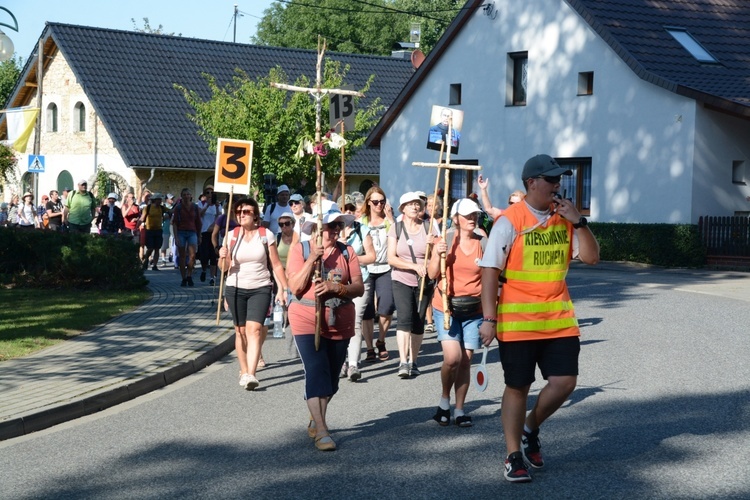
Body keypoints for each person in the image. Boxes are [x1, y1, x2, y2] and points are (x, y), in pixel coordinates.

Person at [479, 154, 600, 483]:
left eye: (559, 179)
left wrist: (579, 221)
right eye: (551, 179)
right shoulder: (510, 220)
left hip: (558, 318)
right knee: (518, 386)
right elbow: (490, 271)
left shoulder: (564, 218)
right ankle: (513, 453)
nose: (557, 185)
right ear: (531, 183)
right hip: (518, 323)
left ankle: (530, 428)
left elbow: (591, 257)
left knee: (565, 383)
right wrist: (488, 318)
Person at [286, 208, 364, 451]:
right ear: (316, 228)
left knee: (331, 382)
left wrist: (335, 287)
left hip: (340, 319)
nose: (334, 231)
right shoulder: (301, 249)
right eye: (329, 226)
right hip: (305, 318)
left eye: (337, 226)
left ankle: (315, 413)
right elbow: (296, 287)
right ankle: (321, 430)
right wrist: (311, 261)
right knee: (316, 370)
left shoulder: (346, 251)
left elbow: (359, 288)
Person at [218, 197, 288, 392]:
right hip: (235, 287)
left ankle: (251, 374)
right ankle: (243, 369)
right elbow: (224, 268)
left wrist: (284, 287)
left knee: (254, 330)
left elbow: (275, 264)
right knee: (240, 332)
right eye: (239, 212)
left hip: (261, 287)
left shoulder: (266, 235)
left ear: (255, 214)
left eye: (246, 211)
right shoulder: (231, 236)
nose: (242, 215)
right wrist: (223, 256)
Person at [428, 198, 486, 428]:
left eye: (475, 214)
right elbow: (432, 274)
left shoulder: (484, 240)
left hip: (474, 308)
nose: (472, 218)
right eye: (467, 215)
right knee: (452, 358)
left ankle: (460, 409)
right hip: (447, 306)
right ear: (456, 218)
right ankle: (444, 401)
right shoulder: (446, 239)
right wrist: (437, 254)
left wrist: (493, 315)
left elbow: (491, 277)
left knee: (466, 361)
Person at [387, 192, 438, 378]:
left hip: (424, 280)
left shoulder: (429, 227)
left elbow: (436, 257)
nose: (415, 207)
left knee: (418, 321)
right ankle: (403, 361)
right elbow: (391, 258)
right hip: (401, 278)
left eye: (417, 204)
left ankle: (414, 361)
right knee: (404, 318)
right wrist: (413, 266)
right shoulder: (396, 228)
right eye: (411, 204)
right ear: (403, 208)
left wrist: (433, 246)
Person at [359, 186, 396, 362]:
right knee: (366, 311)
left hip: (386, 267)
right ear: (368, 203)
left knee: (387, 307)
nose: (379, 205)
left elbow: (400, 240)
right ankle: (369, 347)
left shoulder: (390, 221)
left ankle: (381, 340)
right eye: (375, 202)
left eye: (382, 201)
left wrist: (392, 220)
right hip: (366, 268)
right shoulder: (361, 222)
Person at [340, 210, 376, 382]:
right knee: (339, 322)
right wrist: (341, 242)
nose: (346, 211)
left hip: (360, 280)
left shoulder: (362, 229)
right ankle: (341, 361)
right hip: (338, 282)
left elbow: (371, 256)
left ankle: (353, 363)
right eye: (343, 208)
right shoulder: (331, 232)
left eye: (350, 208)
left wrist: (352, 257)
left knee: (355, 320)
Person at [172, 188, 202, 287]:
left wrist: (199, 235)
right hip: (181, 232)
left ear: (191, 196)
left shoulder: (195, 207)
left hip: (192, 232)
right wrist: (176, 237)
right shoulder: (178, 208)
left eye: (188, 194)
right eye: (184, 194)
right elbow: (175, 223)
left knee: (192, 256)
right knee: (182, 256)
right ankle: (183, 278)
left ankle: (189, 275)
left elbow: (198, 222)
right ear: (181, 196)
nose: (186, 196)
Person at [197, 186, 222, 285]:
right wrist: (207, 205)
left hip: (214, 232)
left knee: (213, 255)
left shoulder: (217, 205)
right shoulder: (201, 204)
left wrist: (215, 207)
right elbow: (199, 215)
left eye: (212, 193)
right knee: (204, 256)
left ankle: (212, 277)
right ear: (204, 195)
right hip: (204, 232)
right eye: (207, 193)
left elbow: (218, 217)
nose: (210, 195)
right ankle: (203, 270)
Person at [140, 193, 167, 270]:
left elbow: (171, 211)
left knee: (157, 248)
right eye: (158, 199)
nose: (160, 201)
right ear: (154, 200)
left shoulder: (162, 208)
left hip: (158, 230)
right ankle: (145, 259)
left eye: (160, 199)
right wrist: (137, 227)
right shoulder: (147, 208)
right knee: (150, 248)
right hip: (149, 230)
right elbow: (142, 218)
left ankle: (154, 265)